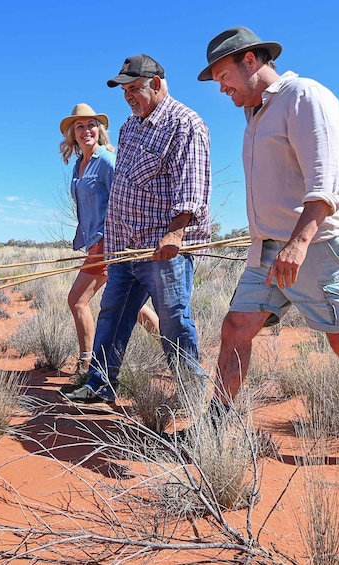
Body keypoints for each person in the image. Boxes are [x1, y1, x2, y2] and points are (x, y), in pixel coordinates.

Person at [197, 27, 339, 473]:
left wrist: (298, 242)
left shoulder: (304, 97)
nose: (222, 87)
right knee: (236, 328)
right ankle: (213, 428)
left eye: (223, 75)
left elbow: (326, 181)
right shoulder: (255, 115)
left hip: (315, 244)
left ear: (251, 61)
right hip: (268, 249)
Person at [60, 54, 212, 404]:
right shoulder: (130, 127)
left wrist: (175, 234)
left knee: (173, 319)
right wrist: (110, 244)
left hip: (162, 249)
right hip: (124, 248)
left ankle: (192, 394)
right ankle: (100, 383)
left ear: (156, 84)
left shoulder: (185, 123)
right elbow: (122, 191)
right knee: (112, 314)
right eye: (124, 90)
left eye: (133, 89)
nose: (128, 96)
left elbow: (192, 187)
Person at [58, 103, 159, 376]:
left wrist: (112, 241)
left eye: (91, 125)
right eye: (80, 126)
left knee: (77, 300)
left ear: (99, 130)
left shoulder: (106, 161)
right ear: (73, 135)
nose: (86, 130)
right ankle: (171, 349)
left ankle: (87, 362)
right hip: (95, 243)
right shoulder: (80, 165)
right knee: (131, 304)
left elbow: (125, 198)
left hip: (109, 243)